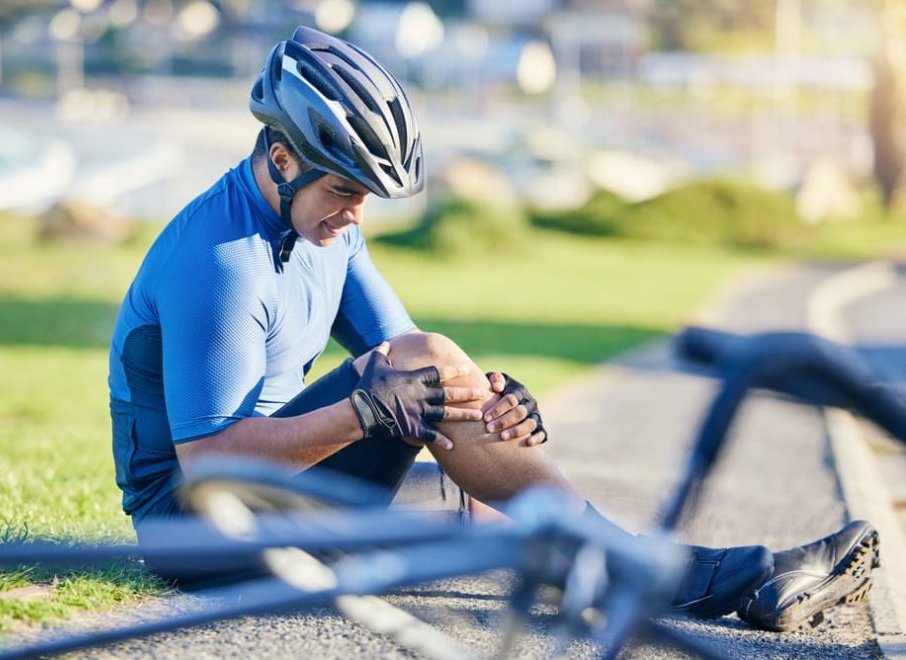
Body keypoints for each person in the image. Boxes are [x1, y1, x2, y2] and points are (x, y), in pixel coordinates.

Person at [108, 26, 880, 632]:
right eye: (344, 189)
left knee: (496, 513)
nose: (355, 215)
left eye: (368, 197)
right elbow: (207, 461)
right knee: (462, 436)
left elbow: (423, 370)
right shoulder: (217, 261)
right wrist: (369, 411)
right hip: (199, 531)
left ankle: (746, 578)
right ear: (281, 157)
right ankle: (692, 576)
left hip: (278, 497)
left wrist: (495, 402)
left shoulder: (327, 233)